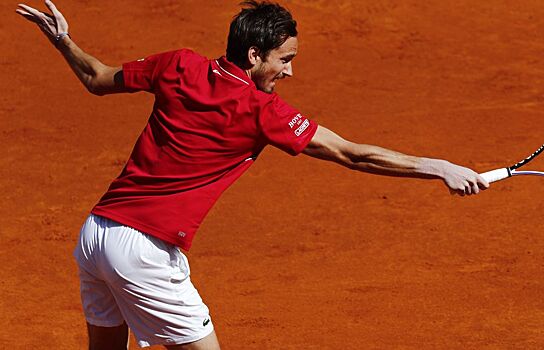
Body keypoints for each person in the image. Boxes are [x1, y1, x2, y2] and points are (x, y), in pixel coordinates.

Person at [16, 0, 489, 348]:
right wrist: (439, 167)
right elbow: (352, 155)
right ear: (254, 56)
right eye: (285, 60)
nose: (290, 72)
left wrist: (62, 39)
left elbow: (97, 79)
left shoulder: (179, 63)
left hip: (95, 235)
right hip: (145, 251)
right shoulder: (262, 111)